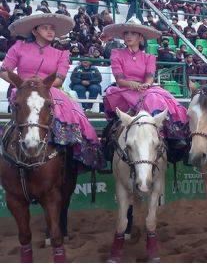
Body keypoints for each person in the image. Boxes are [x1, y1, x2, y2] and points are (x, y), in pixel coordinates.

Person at [0, 12, 104, 170]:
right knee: (26, 100)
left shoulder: (61, 54)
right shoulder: (19, 47)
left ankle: (73, 149)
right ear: (35, 31)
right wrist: (22, 85)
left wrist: (41, 86)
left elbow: (60, 79)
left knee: (74, 109)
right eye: (45, 28)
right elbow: (3, 71)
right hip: (22, 90)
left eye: (52, 29)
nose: (50, 31)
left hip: (50, 88)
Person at [101, 17, 189, 161]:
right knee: (153, 97)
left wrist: (147, 84)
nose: (129, 36)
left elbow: (149, 77)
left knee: (160, 96)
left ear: (140, 37)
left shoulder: (149, 57)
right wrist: (134, 85)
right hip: (124, 91)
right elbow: (120, 80)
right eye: (126, 33)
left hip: (144, 89)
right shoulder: (117, 54)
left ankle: (171, 135)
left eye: (133, 33)